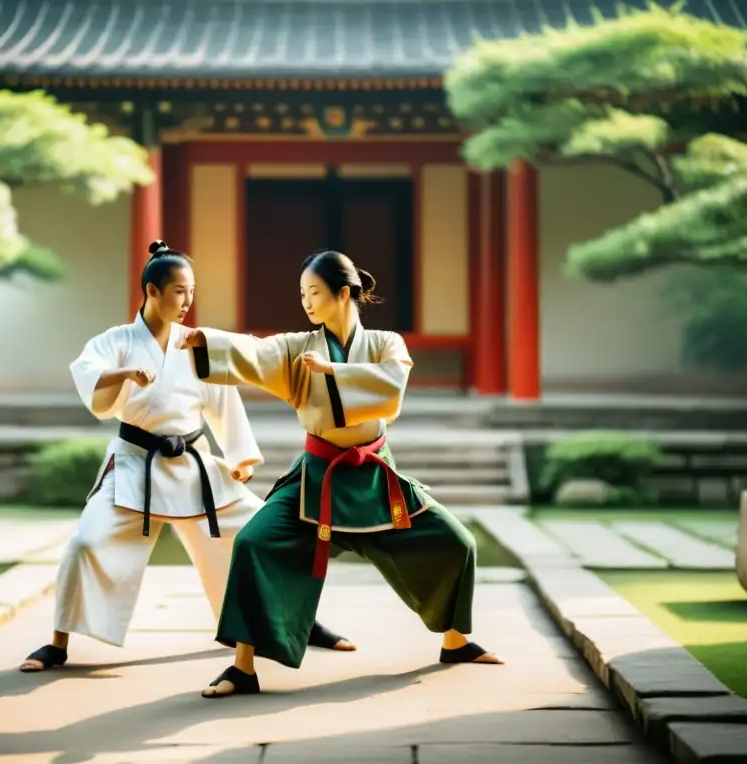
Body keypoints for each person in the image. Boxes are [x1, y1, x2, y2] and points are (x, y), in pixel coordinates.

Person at [176, 249, 504, 698]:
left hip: (373, 477)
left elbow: (389, 390)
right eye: (302, 295)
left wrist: (334, 372)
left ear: (344, 293)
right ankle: (243, 667)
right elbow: (255, 350)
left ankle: (454, 641)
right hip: (317, 478)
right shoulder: (298, 346)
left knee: (455, 542)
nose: (307, 303)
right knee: (254, 544)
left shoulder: (387, 343)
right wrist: (206, 341)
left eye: (314, 292)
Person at [20, 241, 352, 672]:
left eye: (191, 291)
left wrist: (239, 455)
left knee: (266, 533)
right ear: (152, 291)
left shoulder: (194, 344)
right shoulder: (116, 341)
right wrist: (123, 373)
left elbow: (222, 398)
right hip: (136, 464)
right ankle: (58, 643)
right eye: (178, 291)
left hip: (194, 468)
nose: (187, 301)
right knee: (86, 542)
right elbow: (90, 380)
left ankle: (302, 621)